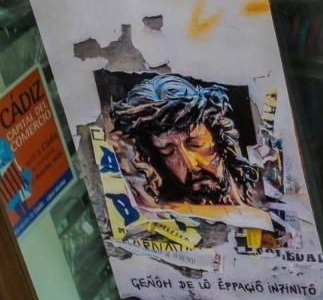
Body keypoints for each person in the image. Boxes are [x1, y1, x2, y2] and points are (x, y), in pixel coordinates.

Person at [109, 72, 266, 209]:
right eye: (168, 151)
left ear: (218, 137)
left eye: (195, 143)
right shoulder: (165, 210)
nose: (190, 164)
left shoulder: (263, 190)